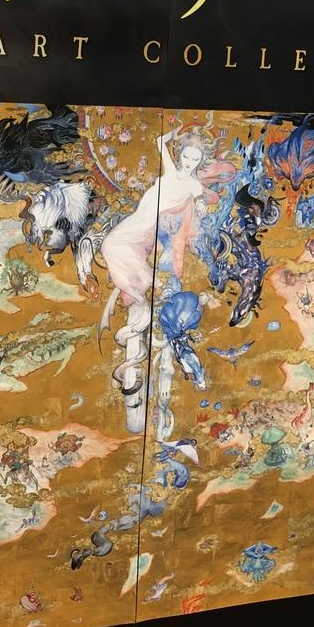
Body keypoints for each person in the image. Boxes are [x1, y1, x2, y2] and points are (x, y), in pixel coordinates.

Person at [100, 121, 228, 432]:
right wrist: (177, 131)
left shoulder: (193, 187)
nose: (189, 162)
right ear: (180, 153)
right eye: (186, 155)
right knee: (110, 244)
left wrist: (199, 213)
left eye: (195, 159)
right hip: (139, 222)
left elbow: (196, 216)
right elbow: (159, 142)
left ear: (201, 161)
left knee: (113, 246)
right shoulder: (171, 171)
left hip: (154, 230)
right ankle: (141, 280)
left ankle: (145, 281)